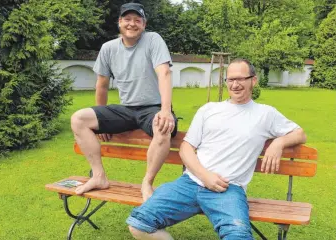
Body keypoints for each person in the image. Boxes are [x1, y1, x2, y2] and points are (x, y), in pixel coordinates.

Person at [126, 58, 307, 239]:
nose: (235, 84)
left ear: (253, 80)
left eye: (241, 79)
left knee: (238, 236)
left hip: (228, 189)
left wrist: (278, 143)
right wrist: (205, 176)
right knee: (139, 224)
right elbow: (186, 148)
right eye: (230, 80)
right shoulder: (209, 110)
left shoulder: (266, 114)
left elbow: (300, 133)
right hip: (189, 183)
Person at [70, 2, 177, 201]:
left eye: (137, 20)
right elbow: (101, 85)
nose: (132, 24)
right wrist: (101, 123)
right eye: (127, 19)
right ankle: (99, 176)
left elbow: (164, 72)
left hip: (152, 108)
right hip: (126, 109)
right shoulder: (108, 48)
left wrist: (165, 110)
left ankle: (147, 182)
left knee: (162, 126)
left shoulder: (153, 40)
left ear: (144, 24)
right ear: (119, 22)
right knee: (78, 119)